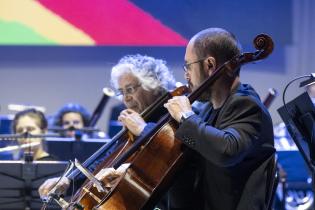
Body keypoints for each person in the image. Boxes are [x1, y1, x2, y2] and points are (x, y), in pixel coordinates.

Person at [161, 27, 275, 210]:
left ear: (210, 65)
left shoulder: (246, 104)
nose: (186, 75)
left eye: (188, 66)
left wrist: (185, 115)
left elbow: (226, 150)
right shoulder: (209, 109)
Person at [38, 54, 176, 201]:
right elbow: (107, 159)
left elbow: (171, 149)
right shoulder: (138, 122)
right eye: (122, 92)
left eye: (130, 89)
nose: (126, 98)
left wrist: (143, 129)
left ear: (152, 85)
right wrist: (69, 180)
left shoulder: (172, 115)